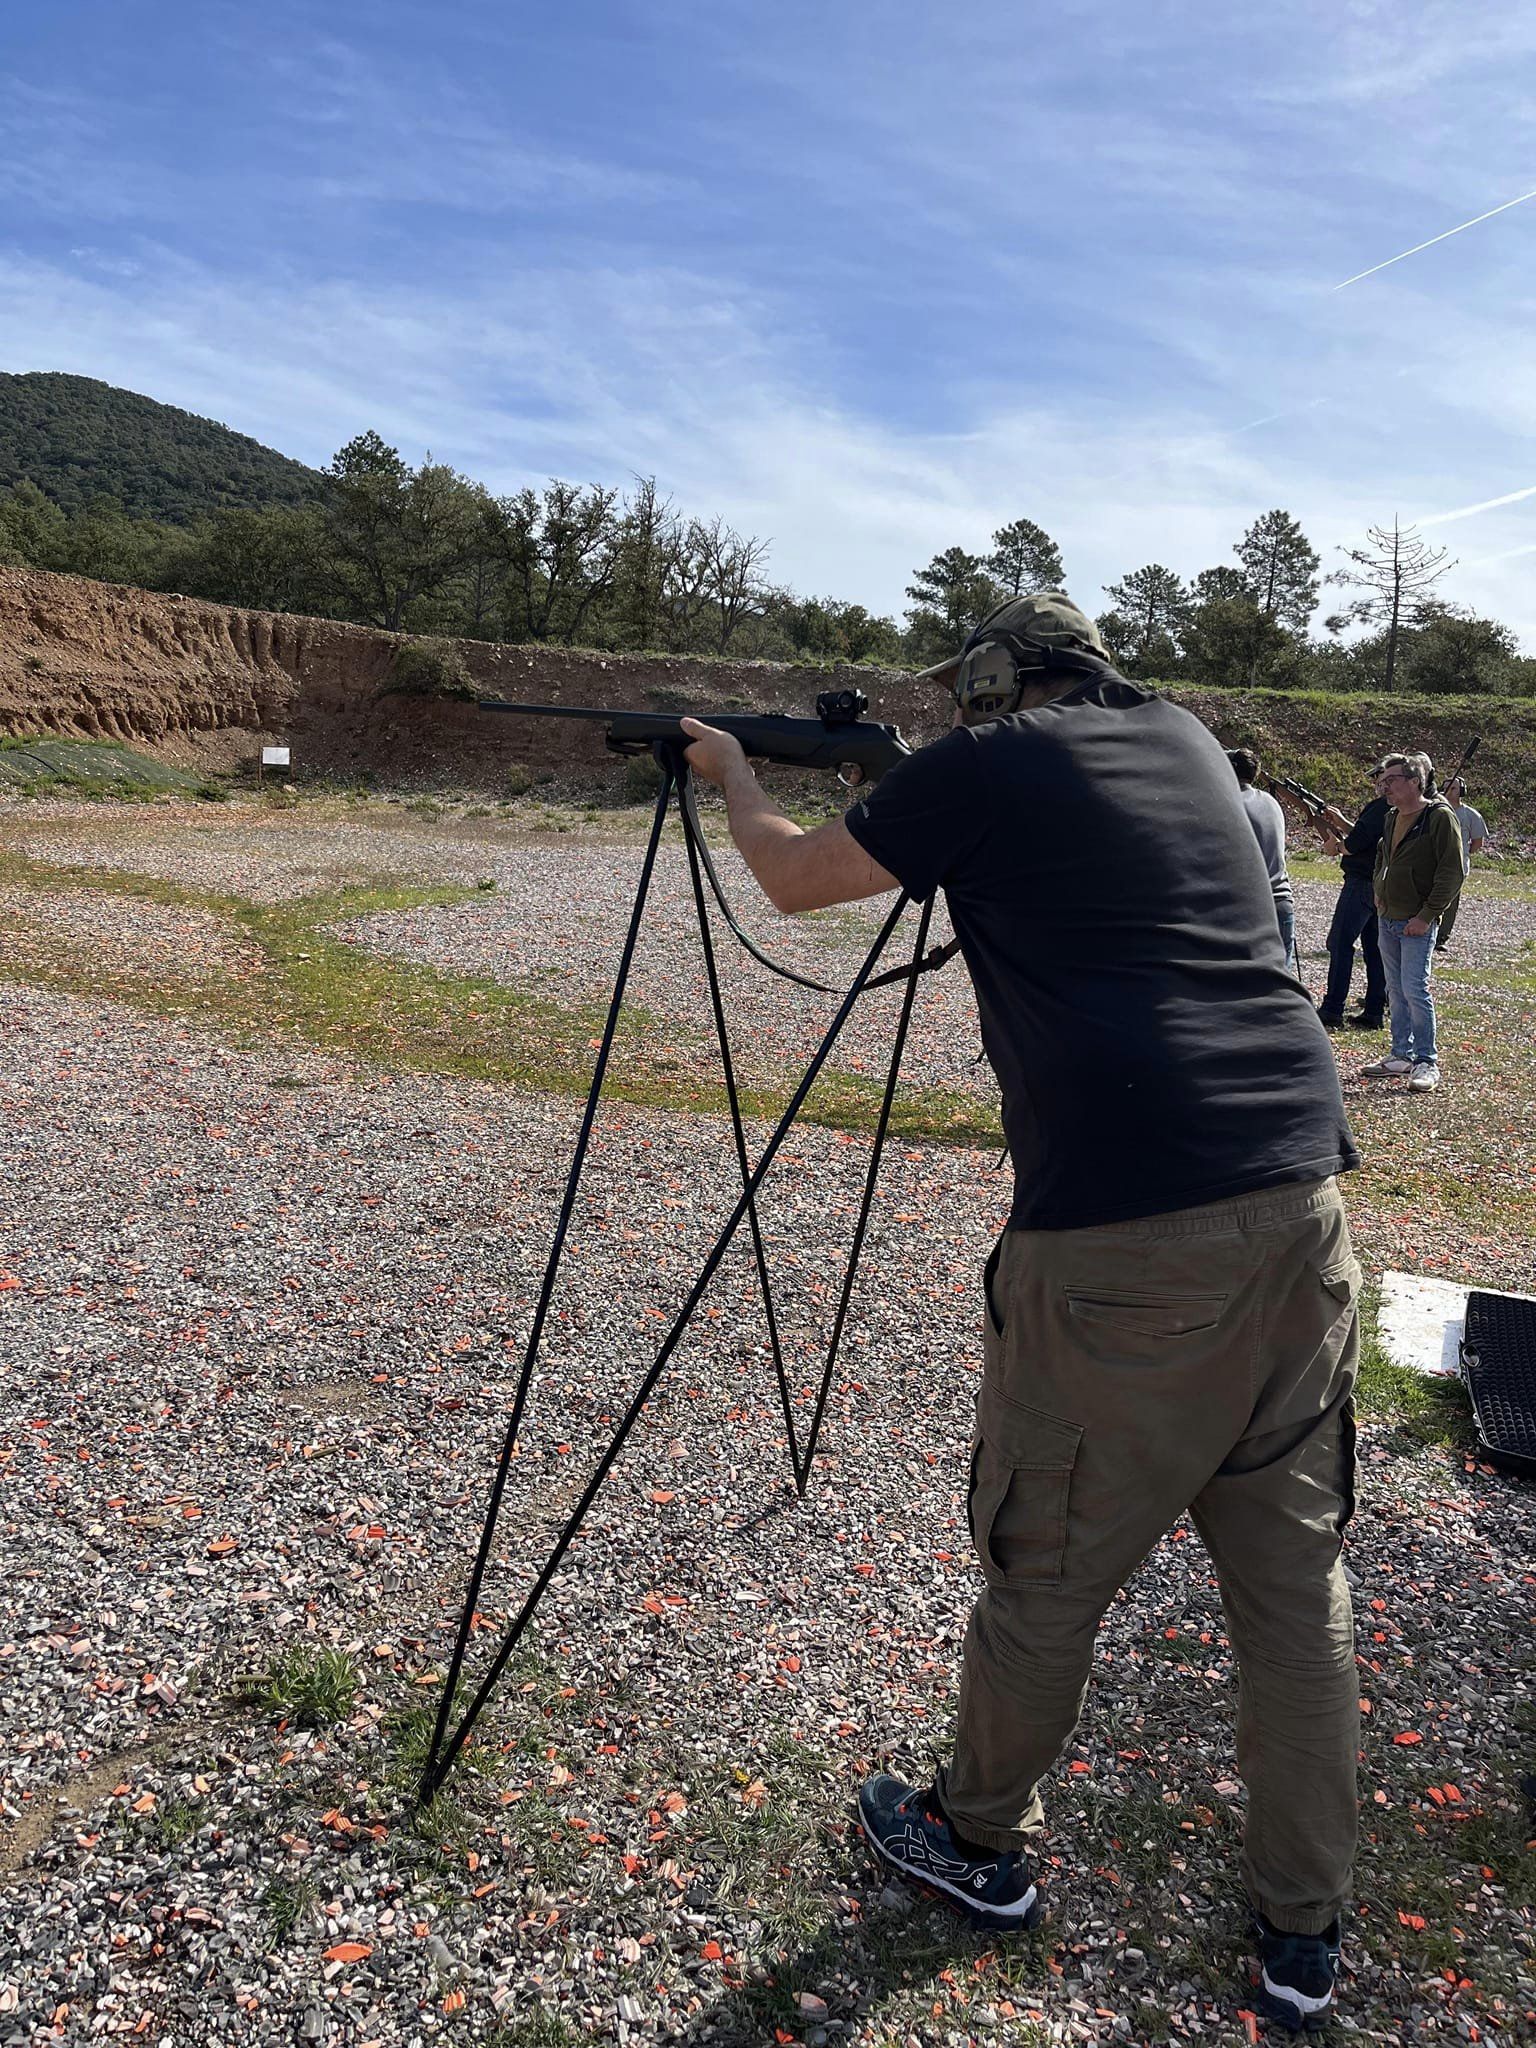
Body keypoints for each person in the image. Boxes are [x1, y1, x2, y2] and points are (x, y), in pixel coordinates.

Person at [681, 591, 1363, 2033]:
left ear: (990, 679)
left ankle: (974, 1836)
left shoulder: (989, 765)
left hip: (1127, 1226)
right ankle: (1304, 1931)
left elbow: (799, 884)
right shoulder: (1182, 737)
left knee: (1047, 1561)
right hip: (1303, 1196)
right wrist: (902, 780)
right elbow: (1053, 831)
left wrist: (733, 778)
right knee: (1293, 1593)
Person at [1361, 752, 1463, 1093]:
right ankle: (1400, 1055)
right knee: (1395, 989)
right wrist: (1378, 888)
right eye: (1381, 781)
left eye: (1391, 781)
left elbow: (1452, 872)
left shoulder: (1439, 817)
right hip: (1388, 917)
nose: (1383, 787)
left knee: (1415, 989)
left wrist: (1426, 915)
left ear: (1415, 782)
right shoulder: (1391, 817)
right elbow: (1382, 855)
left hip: (1416, 921)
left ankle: (1426, 1061)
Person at [1315, 771, 1391, 1031]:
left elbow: (1355, 843)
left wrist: (1334, 846)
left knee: (1339, 942)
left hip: (1360, 882)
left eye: (1381, 779)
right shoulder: (1393, 809)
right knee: (1374, 950)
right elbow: (1365, 835)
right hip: (1377, 883)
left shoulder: (1381, 806)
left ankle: (1333, 1007)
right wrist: (1342, 822)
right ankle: (1373, 1010)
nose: (1377, 784)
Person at [1226, 749, 1296, 968]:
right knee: (1281, 985)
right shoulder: (1270, 801)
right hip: (1282, 901)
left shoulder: (1230, 803)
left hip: (1250, 905)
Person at [1435, 776, 1488, 952]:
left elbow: (1477, 842)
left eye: (1454, 788)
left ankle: (1441, 937)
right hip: (1433, 862)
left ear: (1462, 792)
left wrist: (1461, 855)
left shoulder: (1471, 815)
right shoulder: (1433, 810)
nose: (1449, 790)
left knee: (1450, 903)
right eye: (1447, 787)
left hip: (1456, 867)